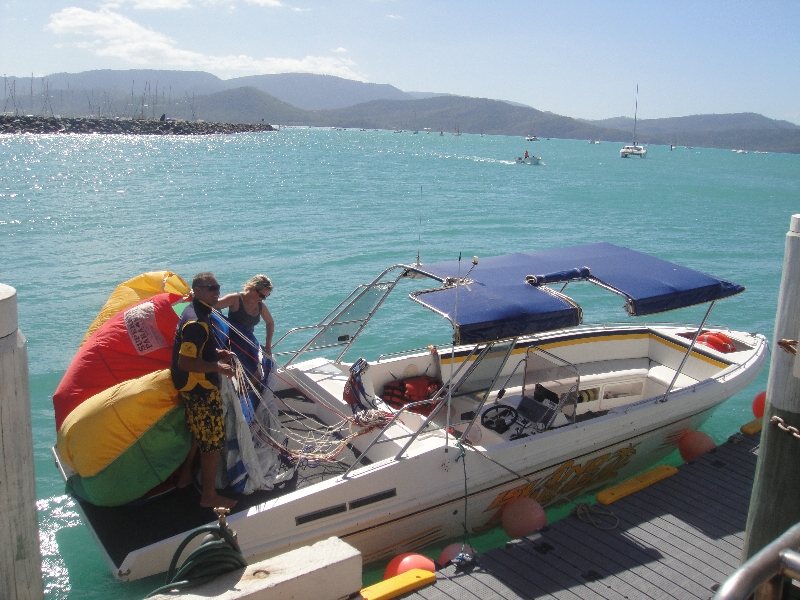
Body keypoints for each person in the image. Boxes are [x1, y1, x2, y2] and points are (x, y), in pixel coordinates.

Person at [172, 272, 237, 509]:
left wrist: (215, 353)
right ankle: (208, 495)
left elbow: (195, 350)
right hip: (199, 387)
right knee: (212, 441)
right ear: (197, 290)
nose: (216, 292)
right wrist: (217, 367)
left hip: (192, 385)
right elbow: (185, 361)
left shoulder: (197, 312)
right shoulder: (197, 322)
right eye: (211, 288)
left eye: (218, 287)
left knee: (199, 434)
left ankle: (185, 476)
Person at [215, 274, 275, 377]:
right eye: (262, 295)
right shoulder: (235, 299)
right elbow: (214, 304)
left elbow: (270, 323)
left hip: (248, 343)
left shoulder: (260, 306)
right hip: (233, 344)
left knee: (260, 374)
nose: (264, 299)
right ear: (252, 288)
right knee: (250, 375)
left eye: (267, 296)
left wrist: (268, 346)